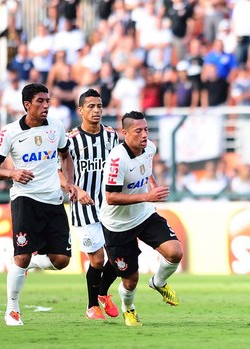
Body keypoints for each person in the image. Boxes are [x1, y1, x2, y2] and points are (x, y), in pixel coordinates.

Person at [0, 83, 78, 326]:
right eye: (40, 101)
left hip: (52, 200)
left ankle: (27, 262)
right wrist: (13, 173)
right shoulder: (10, 132)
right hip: (25, 199)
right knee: (23, 255)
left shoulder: (56, 126)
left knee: (61, 261)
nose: (46, 105)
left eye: (48, 100)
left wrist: (68, 182)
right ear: (27, 105)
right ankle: (12, 309)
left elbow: (65, 155)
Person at [100, 111, 183, 327]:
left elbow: (145, 170)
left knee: (175, 253)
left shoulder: (150, 148)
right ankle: (129, 309)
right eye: (138, 131)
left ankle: (158, 282)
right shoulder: (117, 159)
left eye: (146, 129)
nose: (145, 134)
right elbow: (110, 197)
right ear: (124, 133)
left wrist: (152, 184)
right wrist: (148, 195)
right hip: (117, 225)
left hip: (144, 214)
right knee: (130, 280)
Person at [66, 89, 120, 319]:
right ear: (80, 111)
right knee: (97, 259)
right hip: (84, 207)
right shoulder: (70, 140)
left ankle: (103, 294)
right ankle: (92, 305)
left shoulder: (112, 136)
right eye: (91, 106)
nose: (96, 110)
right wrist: (75, 189)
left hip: (110, 206)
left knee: (119, 258)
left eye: (99, 106)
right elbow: (60, 172)